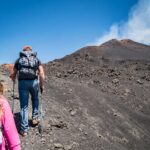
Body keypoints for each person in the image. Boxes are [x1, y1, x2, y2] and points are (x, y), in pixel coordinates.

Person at [10, 45, 45, 137]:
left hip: (23, 83)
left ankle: (24, 130)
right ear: (31, 50)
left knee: (24, 106)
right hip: (34, 82)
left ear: (23, 51)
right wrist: (42, 85)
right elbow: (41, 73)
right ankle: (34, 118)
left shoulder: (19, 60)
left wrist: (13, 78)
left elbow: (13, 74)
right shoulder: (36, 59)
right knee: (35, 99)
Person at [0, 82, 21, 150]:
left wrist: (13, 75)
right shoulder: (2, 104)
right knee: (32, 101)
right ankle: (25, 128)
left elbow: (15, 71)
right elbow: (13, 140)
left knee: (24, 106)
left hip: (23, 82)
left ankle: (24, 128)